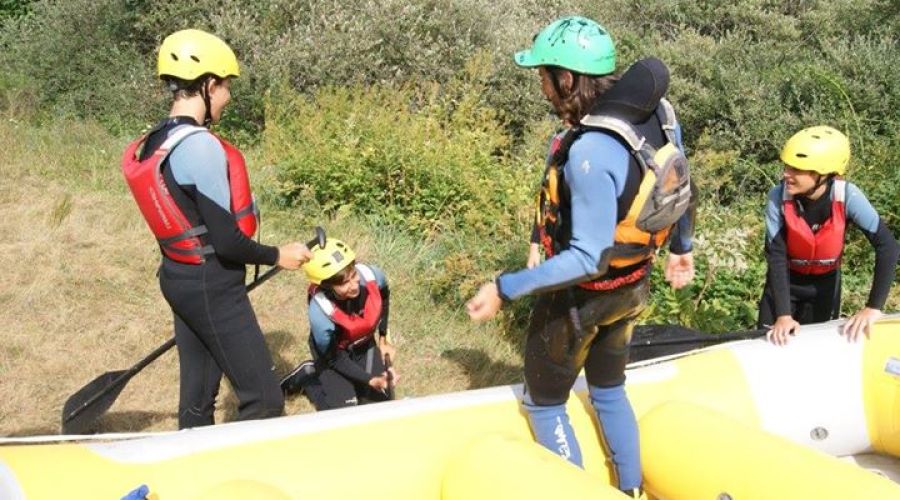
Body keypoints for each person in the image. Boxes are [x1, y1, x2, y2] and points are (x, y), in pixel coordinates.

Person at [466, 16, 696, 499]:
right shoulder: (656, 114)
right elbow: (680, 182)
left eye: (544, 76)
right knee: (609, 390)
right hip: (634, 287)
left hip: (584, 299)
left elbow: (588, 258)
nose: (542, 87)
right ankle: (630, 489)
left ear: (567, 78)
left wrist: (503, 288)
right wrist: (681, 248)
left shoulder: (592, 149)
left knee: (546, 403)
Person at [121, 29, 312, 429]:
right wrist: (279, 255)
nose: (227, 97)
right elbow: (227, 242)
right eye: (225, 86)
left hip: (178, 277)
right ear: (207, 85)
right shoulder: (200, 145)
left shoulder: (157, 139)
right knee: (264, 398)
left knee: (197, 398)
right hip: (211, 283)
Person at [758, 125, 899, 345]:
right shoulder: (777, 197)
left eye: (796, 169)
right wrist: (783, 316)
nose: (786, 174)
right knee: (769, 347)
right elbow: (775, 255)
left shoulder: (847, 196)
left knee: (813, 351)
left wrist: (873, 307)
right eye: (787, 166)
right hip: (785, 283)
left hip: (824, 287)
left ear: (821, 174)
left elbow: (887, 246)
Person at [281, 239, 398, 410]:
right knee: (343, 414)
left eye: (353, 274)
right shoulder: (320, 314)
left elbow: (384, 297)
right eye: (344, 283)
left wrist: (383, 339)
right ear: (328, 286)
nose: (354, 284)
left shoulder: (373, 276)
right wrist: (369, 379)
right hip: (334, 355)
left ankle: (357, 385)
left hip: (363, 344)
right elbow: (335, 359)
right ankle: (309, 378)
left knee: (379, 408)